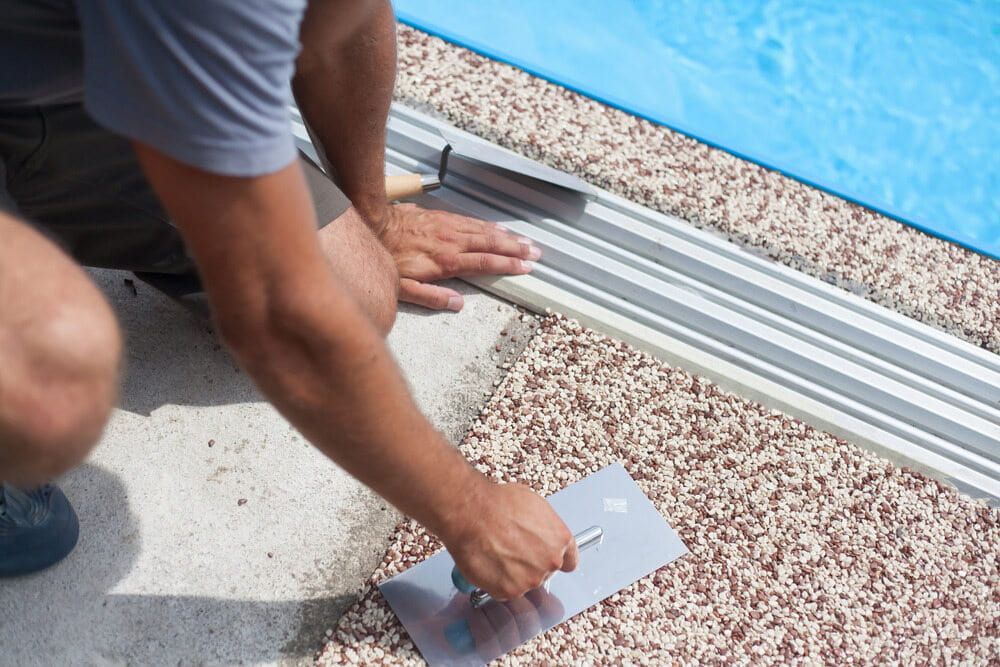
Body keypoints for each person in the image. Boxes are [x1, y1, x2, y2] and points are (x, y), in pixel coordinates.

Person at [0, 0, 577, 601]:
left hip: (76, 59)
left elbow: (344, 23)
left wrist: (372, 215)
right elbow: (286, 316)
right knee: (52, 372)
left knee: (356, 292)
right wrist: (468, 511)